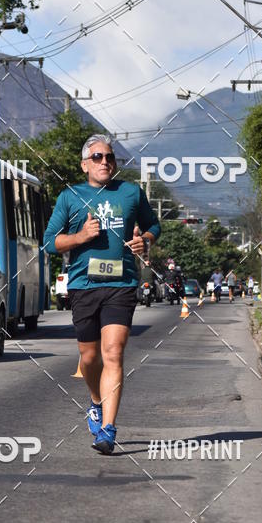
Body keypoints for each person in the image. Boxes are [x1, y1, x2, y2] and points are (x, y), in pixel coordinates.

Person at [43, 134, 161, 454]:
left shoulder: (131, 193)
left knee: (113, 352)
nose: (105, 161)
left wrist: (146, 240)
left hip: (121, 285)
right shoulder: (70, 197)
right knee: (89, 357)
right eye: (97, 157)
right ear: (85, 165)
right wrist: (80, 236)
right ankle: (96, 402)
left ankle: (108, 430)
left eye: (109, 157)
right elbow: (50, 242)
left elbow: (153, 226)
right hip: (83, 285)